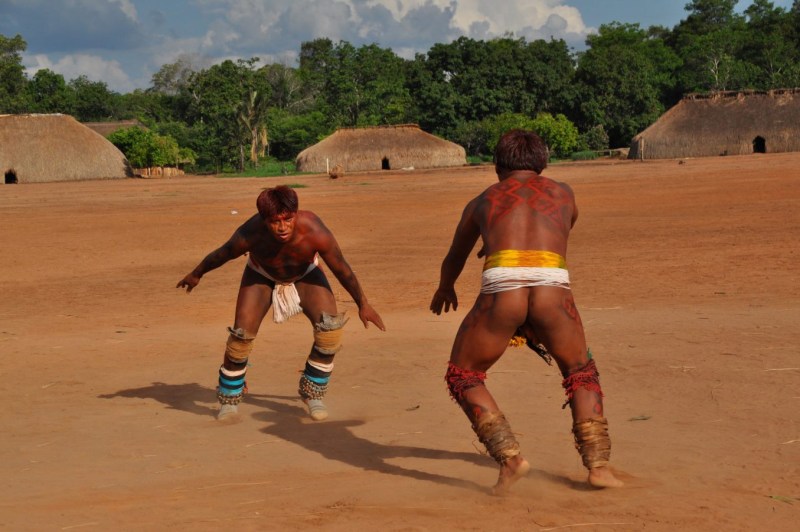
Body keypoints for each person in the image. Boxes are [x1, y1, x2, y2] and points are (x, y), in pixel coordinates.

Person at [430, 129, 622, 495]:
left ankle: (511, 459)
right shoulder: (564, 193)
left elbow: (455, 255)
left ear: (497, 166)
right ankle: (599, 467)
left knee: (464, 375)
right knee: (581, 373)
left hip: (502, 286)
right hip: (552, 283)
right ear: (544, 163)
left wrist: (445, 287)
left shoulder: (482, 200)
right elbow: (560, 226)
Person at [177, 185, 385, 422]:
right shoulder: (250, 232)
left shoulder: (314, 230)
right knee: (240, 338)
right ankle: (229, 397)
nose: (283, 227)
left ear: (296, 214)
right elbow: (223, 253)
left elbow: (341, 268)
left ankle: (312, 392)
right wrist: (197, 273)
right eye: (275, 221)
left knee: (330, 332)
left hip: (305, 273)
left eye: (288, 219)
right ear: (264, 219)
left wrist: (363, 303)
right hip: (261, 274)